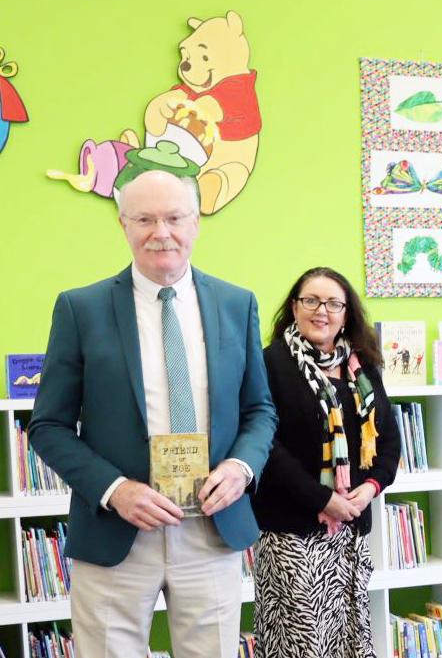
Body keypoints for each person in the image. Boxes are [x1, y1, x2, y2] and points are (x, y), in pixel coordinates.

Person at [28, 170, 276, 657]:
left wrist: (241, 467)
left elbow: (260, 410)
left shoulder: (236, 303)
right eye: (144, 219)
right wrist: (115, 490)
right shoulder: (81, 308)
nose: (161, 232)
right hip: (116, 532)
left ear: (195, 222)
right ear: (123, 225)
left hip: (211, 528)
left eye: (174, 218)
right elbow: (48, 426)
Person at [252, 267, 403, 657]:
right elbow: (266, 447)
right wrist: (323, 499)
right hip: (293, 535)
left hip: (351, 532)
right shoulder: (270, 364)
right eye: (312, 301)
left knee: (351, 643)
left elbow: (389, 442)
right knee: (301, 648)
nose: (322, 311)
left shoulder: (362, 368)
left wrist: (368, 490)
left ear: (346, 313)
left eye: (334, 303)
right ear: (294, 307)